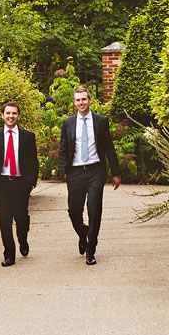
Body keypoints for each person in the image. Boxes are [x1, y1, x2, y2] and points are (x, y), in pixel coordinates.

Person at [58, 87, 121, 265]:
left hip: (95, 171)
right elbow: (63, 149)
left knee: (94, 210)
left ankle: (90, 250)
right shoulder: (67, 123)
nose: (81, 103)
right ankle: (83, 233)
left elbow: (108, 146)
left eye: (84, 99)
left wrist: (115, 173)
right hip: (76, 172)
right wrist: (65, 170)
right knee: (73, 211)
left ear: (90, 100)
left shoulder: (101, 121)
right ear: (74, 102)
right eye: (78, 100)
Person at [0, 100, 39, 267]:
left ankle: (23, 239)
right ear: (2, 115)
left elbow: (33, 161)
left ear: (18, 116)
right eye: (8, 113)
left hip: (21, 183)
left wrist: (31, 182)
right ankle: (9, 254)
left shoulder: (28, 136)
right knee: (4, 220)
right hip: (2, 184)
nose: (11, 116)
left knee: (21, 218)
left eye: (14, 113)